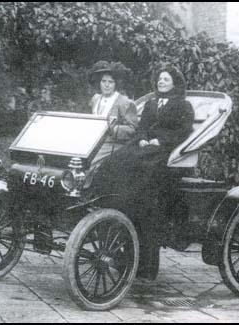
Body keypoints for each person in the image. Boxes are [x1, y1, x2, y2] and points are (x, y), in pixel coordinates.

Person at [90, 64, 194, 278]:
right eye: (159, 79)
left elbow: (183, 132)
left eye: (166, 79)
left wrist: (160, 140)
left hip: (167, 151)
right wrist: (144, 139)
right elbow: (142, 127)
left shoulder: (183, 105)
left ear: (175, 83)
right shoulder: (151, 103)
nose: (161, 82)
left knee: (143, 169)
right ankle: (111, 198)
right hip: (145, 145)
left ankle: (132, 198)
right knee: (115, 160)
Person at [88, 61, 138, 164]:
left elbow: (133, 129)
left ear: (116, 84)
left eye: (111, 82)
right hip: (93, 141)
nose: (106, 85)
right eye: (103, 81)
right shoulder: (95, 99)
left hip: (112, 143)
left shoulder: (125, 102)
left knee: (92, 161)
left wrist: (114, 129)